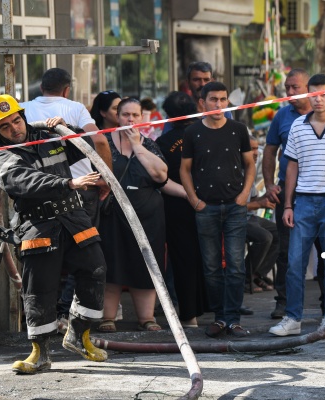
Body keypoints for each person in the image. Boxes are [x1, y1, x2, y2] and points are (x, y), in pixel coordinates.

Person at [0, 94, 108, 373]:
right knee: (39, 289)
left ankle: (79, 334)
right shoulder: (5, 157)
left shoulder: (48, 136)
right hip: (38, 226)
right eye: (5, 126)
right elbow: (26, 181)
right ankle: (40, 354)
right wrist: (69, 182)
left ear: (23, 117)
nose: (14, 128)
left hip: (74, 219)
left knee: (96, 269)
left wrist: (67, 130)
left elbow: (86, 148)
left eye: (16, 120)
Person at [268, 73, 325, 337]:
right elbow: (291, 168)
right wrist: (288, 205)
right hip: (304, 202)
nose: (318, 99)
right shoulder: (298, 125)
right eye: (313, 94)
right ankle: (293, 317)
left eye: (323, 94)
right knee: (294, 261)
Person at [20, 68, 112, 331]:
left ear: (41, 89)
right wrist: (106, 178)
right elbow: (99, 140)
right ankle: (68, 318)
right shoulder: (74, 107)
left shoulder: (23, 109)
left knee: (44, 258)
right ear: (66, 89)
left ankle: (53, 320)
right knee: (84, 254)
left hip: (38, 193)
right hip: (80, 190)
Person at [180, 81, 256, 338]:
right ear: (202, 103)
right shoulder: (192, 132)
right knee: (211, 266)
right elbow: (184, 169)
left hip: (235, 206)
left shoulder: (238, 129)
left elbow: (250, 164)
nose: (219, 104)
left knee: (236, 265)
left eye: (223, 99)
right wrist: (194, 200)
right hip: (206, 207)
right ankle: (220, 318)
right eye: (213, 99)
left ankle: (233, 319)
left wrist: (245, 194)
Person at [98, 98, 168, 332]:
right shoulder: (103, 143)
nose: (130, 120)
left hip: (148, 219)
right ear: (117, 117)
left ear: (141, 117)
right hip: (112, 217)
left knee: (145, 266)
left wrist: (137, 146)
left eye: (135, 115)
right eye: (126, 114)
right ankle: (108, 317)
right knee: (112, 266)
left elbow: (161, 176)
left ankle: (146, 318)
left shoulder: (148, 145)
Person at [262, 68, 313, 319]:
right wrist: (270, 184)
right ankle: (283, 302)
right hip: (288, 193)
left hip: (320, 193)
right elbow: (270, 151)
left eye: (296, 88)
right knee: (286, 250)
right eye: (287, 88)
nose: (290, 93)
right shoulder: (282, 116)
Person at [156, 91, 205, 328]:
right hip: (208, 203)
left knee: (182, 260)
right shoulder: (206, 134)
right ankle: (220, 312)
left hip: (176, 205)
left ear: (168, 115)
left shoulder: (163, 143)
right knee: (210, 258)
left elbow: (159, 178)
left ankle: (189, 316)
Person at [245, 135, 278, 292]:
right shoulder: (235, 171)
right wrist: (259, 203)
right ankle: (245, 278)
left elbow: (254, 199)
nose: (256, 152)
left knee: (281, 232)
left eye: (257, 148)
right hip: (236, 219)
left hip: (250, 217)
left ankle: (257, 274)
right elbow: (234, 206)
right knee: (264, 237)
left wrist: (269, 196)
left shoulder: (249, 169)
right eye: (252, 148)